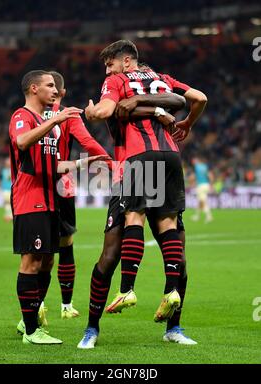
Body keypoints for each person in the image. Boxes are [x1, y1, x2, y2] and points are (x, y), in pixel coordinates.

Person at [77, 40, 207, 349]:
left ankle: (96, 325)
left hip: (133, 164)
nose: (106, 71)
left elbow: (106, 109)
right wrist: (186, 121)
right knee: (176, 245)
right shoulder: (163, 79)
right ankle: (173, 325)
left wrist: (93, 112)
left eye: (109, 64)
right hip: (171, 161)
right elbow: (198, 98)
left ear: (124, 62)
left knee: (109, 255)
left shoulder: (116, 80)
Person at [9, 69, 109, 345]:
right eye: (49, 85)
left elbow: (53, 166)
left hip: (51, 200)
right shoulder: (23, 117)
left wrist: (83, 163)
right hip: (31, 199)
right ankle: (31, 331)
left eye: (56, 86)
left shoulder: (49, 124)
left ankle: (29, 318)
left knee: (47, 261)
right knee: (30, 262)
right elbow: (21, 141)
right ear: (33, 89)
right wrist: (58, 118)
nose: (55, 90)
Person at [41, 71, 111, 319]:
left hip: (32, 185)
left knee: (37, 249)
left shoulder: (28, 114)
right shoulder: (69, 114)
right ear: (63, 93)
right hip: (62, 185)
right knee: (66, 243)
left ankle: (36, 306)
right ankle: (66, 305)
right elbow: (88, 143)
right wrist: (111, 163)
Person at [190, 155, 214, 223]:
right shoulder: (205, 166)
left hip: (200, 185)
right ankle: (197, 216)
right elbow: (210, 175)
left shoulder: (196, 167)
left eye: (194, 161)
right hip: (206, 185)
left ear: (197, 160)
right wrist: (211, 185)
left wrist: (191, 183)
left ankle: (209, 216)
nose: (193, 162)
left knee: (203, 201)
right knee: (200, 201)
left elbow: (192, 177)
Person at [0, 157, 12, 222]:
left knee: (7, 203)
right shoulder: (12, 170)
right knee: (8, 203)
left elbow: (0, 179)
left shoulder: (4, 171)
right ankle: (9, 215)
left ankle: (9, 215)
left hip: (8, 189)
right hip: (6, 189)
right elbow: (1, 180)